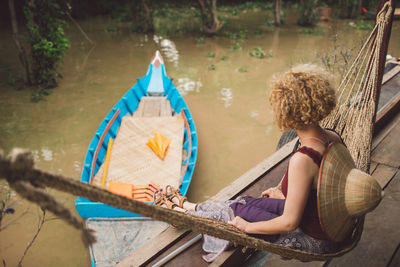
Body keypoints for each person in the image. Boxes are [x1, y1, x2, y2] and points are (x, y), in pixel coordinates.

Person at [154, 64, 343, 262]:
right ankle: (188, 207)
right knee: (244, 203)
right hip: (325, 224)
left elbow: (289, 223)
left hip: (311, 239)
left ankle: (180, 211)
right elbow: (322, 192)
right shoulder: (332, 138)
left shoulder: (303, 159)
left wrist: (247, 227)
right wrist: (284, 196)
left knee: (233, 215)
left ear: (286, 111)